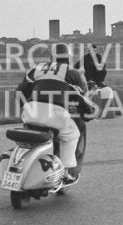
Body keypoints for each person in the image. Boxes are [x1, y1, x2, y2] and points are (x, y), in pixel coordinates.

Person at [17, 44, 97, 184]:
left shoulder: (36, 69)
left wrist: (24, 110)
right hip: (56, 113)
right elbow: (82, 98)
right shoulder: (73, 73)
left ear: (51, 58)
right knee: (73, 134)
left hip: (31, 112)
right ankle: (66, 172)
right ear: (69, 58)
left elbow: (20, 92)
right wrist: (88, 113)